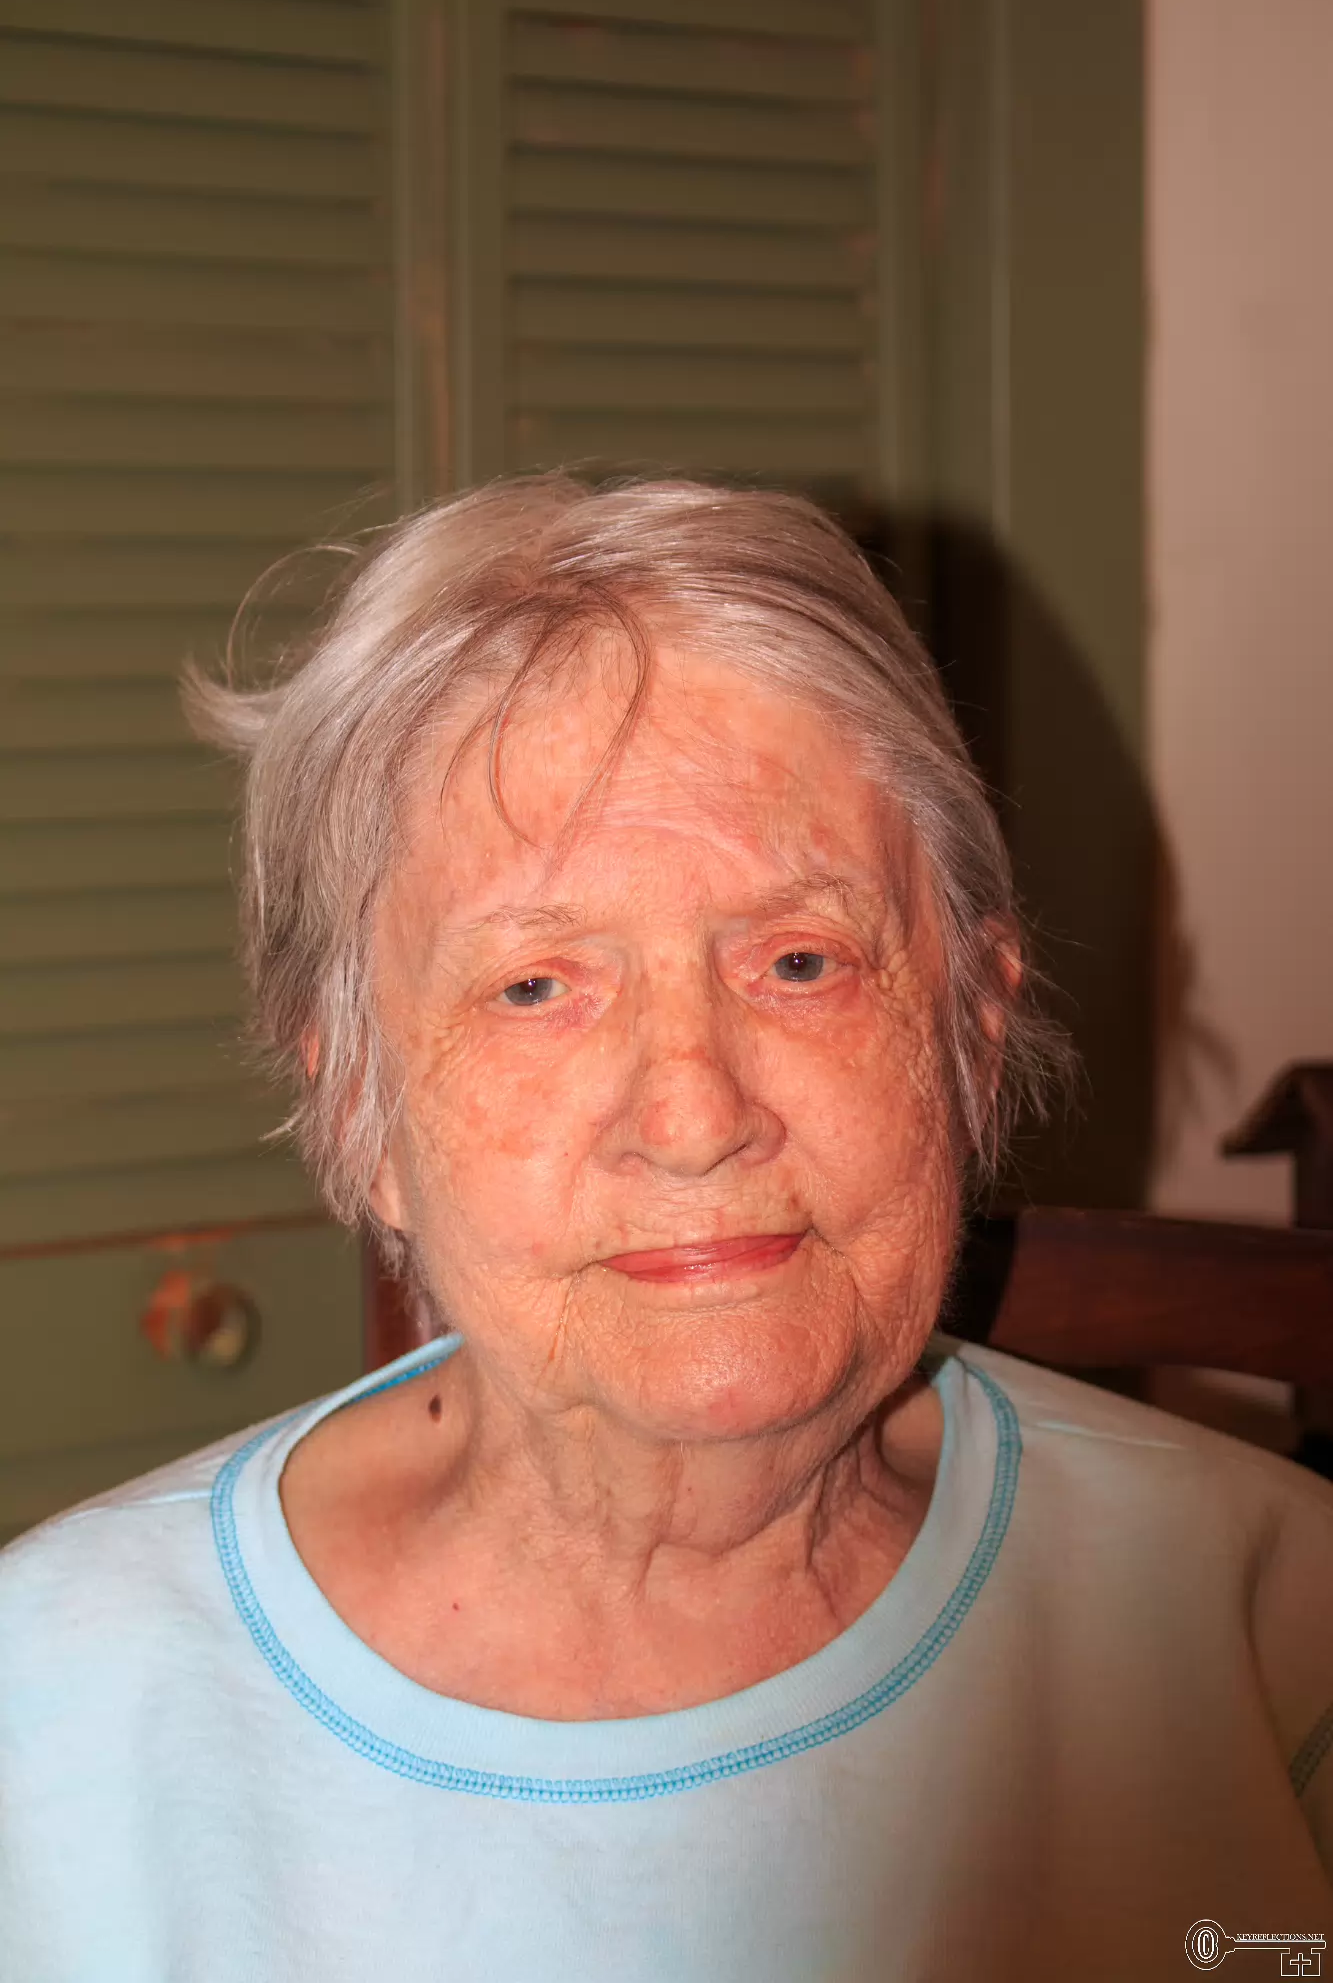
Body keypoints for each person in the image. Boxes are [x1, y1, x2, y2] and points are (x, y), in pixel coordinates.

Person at [1, 477, 1329, 1981]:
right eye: (536, 987)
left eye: (801, 962)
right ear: (361, 1109)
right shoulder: (62, 1706)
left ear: (970, 1029)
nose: (695, 1116)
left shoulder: (1270, 1633)